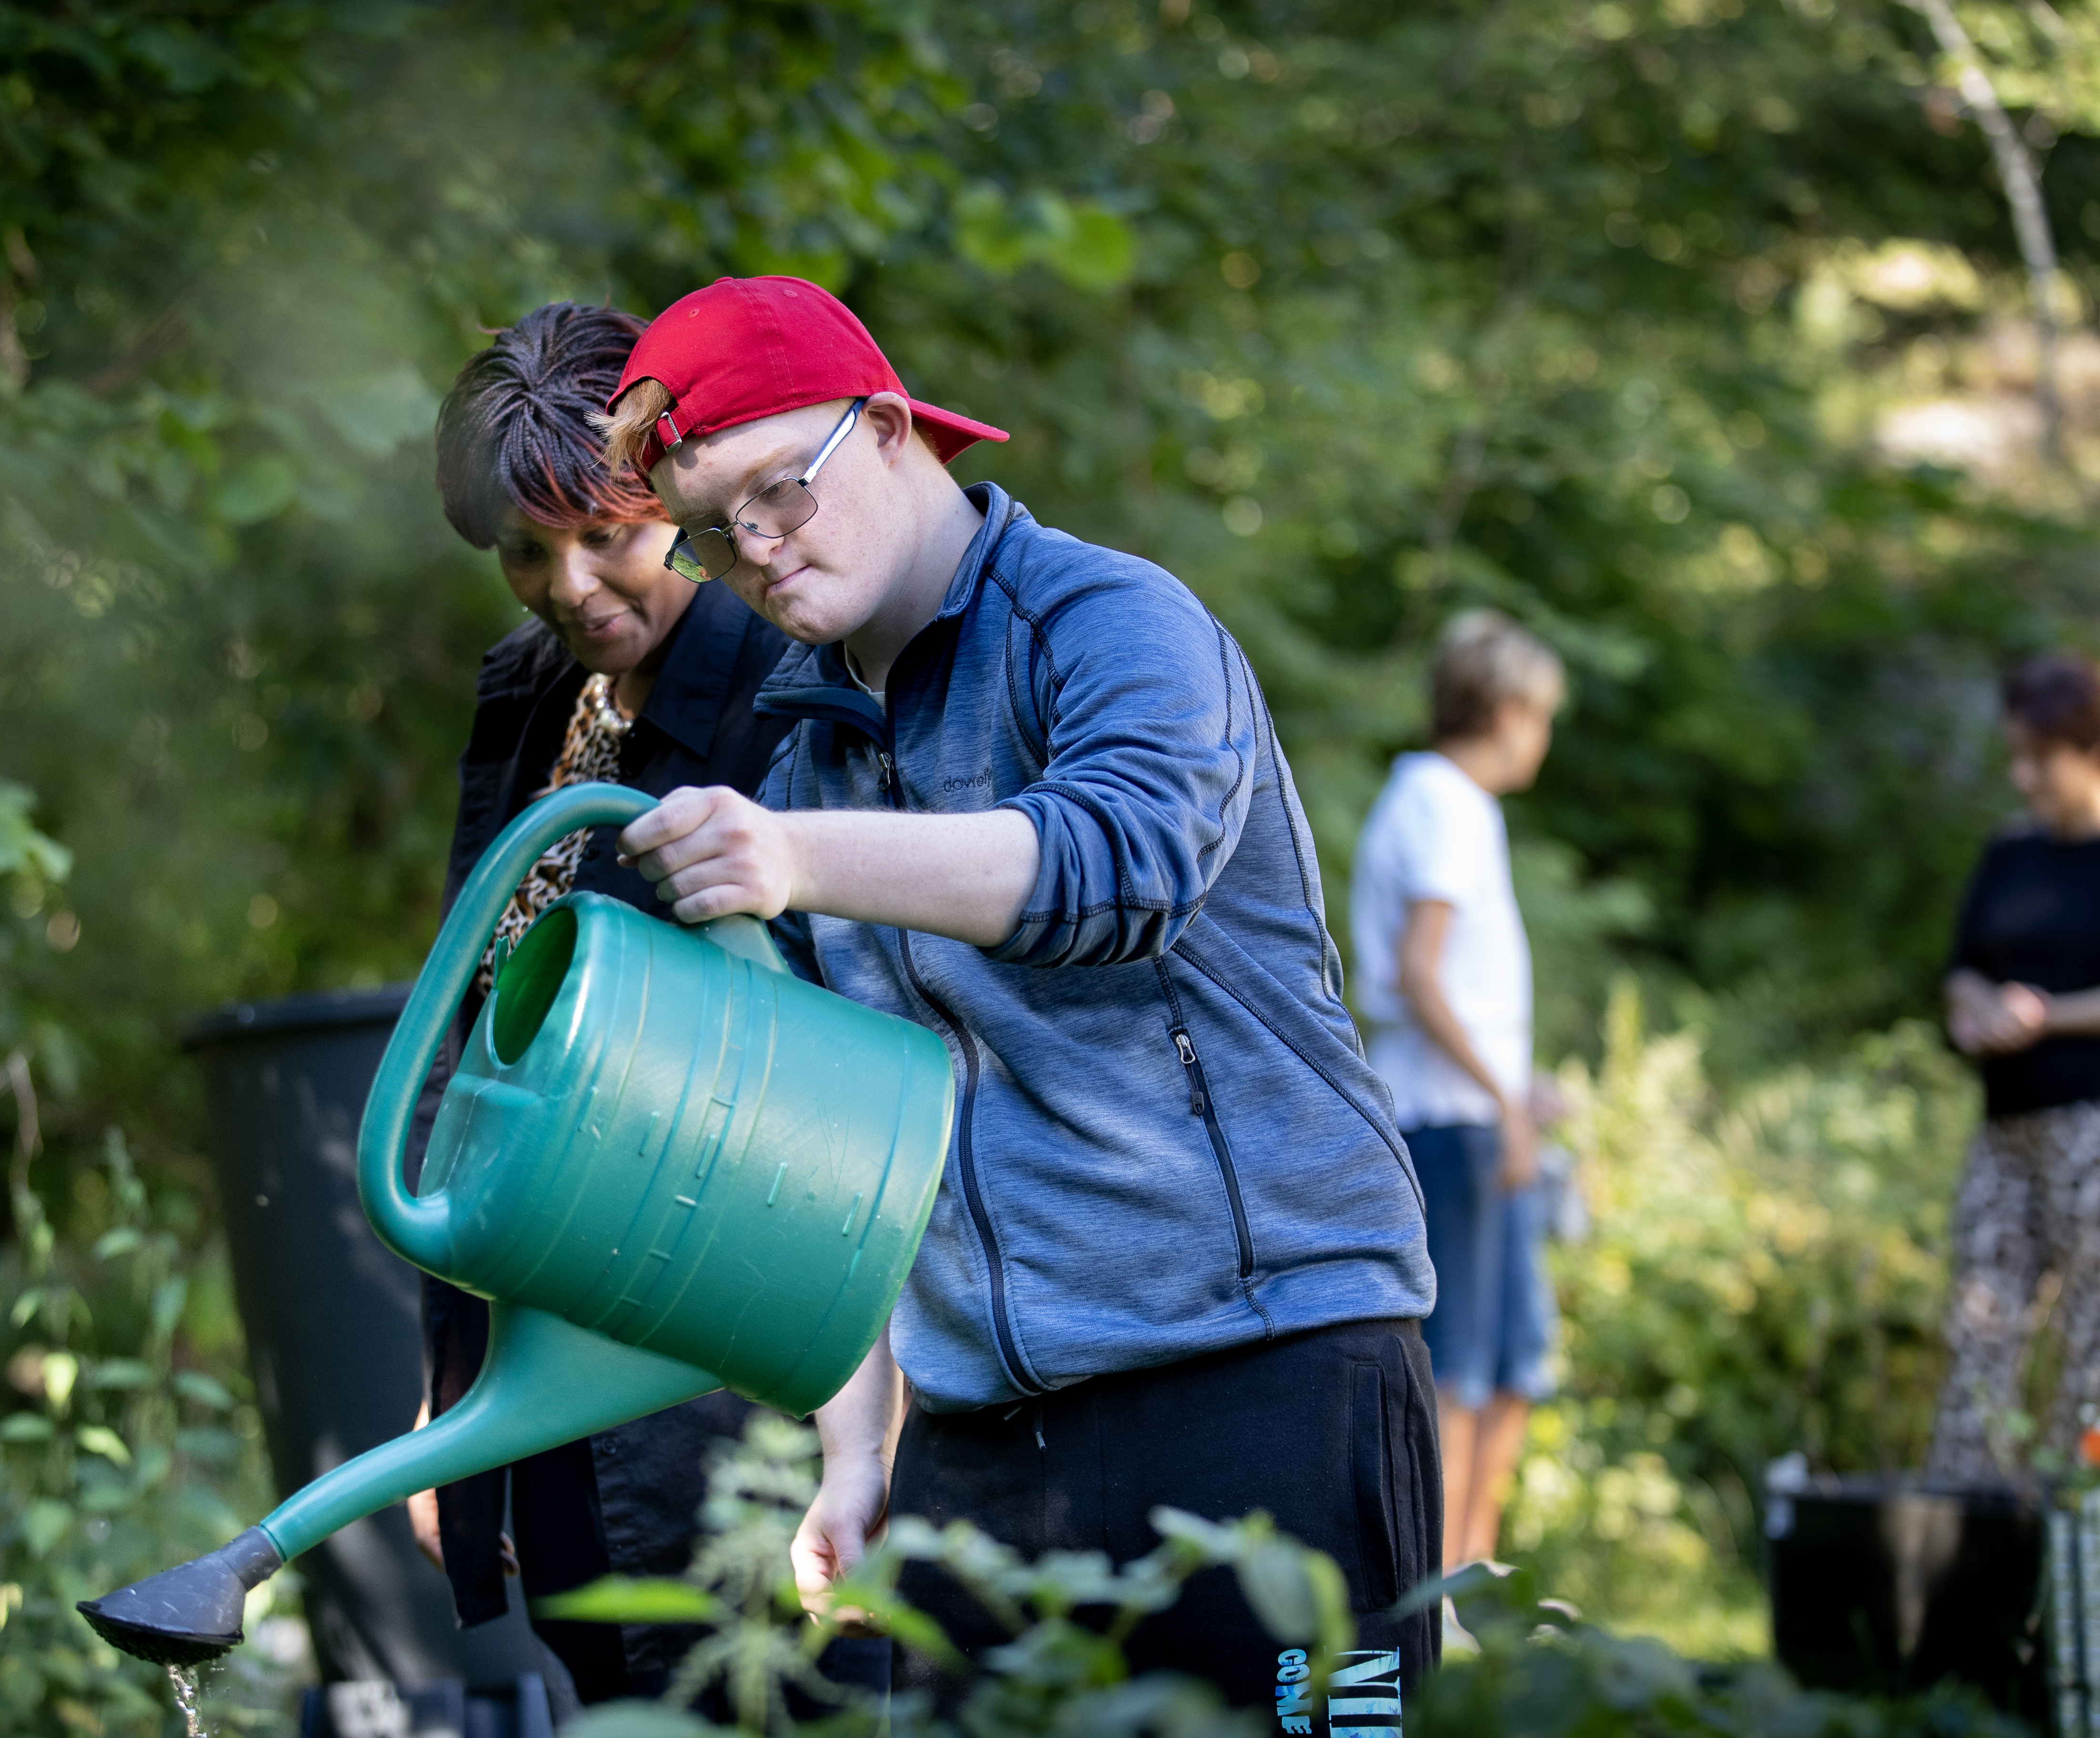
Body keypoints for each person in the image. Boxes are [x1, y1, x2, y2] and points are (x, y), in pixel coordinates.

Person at [598, 276, 1443, 1711]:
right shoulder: (809, 760)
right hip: (982, 1450)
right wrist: (857, 1454)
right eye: (713, 532)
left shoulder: (1111, 621)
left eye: (778, 493)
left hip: (1266, 1379)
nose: (758, 553)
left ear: (887, 428)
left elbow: (1119, 867)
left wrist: (794, 857)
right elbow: (847, 1155)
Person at [403, 301, 803, 1704]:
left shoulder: (786, 689)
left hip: (721, 1371)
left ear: (674, 503)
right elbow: (478, 1039)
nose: (568, 586)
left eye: (605, 536)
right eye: (526, 550)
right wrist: (451, 1389)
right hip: (536, 1347)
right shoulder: (530, 691)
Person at [1348, 611, 1566, 1575]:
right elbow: (1420, 971)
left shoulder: (1459, 806)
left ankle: (1479, 1577)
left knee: (1518, 1359)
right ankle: (1434, 1594)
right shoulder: (1441, 804)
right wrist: (1503, 1102)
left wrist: (1520, 1089)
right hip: (1448, 1121)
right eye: (1542, 717)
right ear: (1510, 712)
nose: (1543, 738)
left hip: (1480, 1112)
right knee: (1460, 1368)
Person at [1928, 650, 2100, 1482]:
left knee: (2092, 1348)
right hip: (2004, 1133)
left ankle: (2077, 1528)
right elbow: (1963, 966)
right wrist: (1977, 1009)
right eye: (2015, 757)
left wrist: (2043, 1015)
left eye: (2040, 758)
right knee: (1979, 1333)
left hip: (2090, 1132)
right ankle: (1962, 1524)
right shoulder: (2010, 851)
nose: (2022, 776)